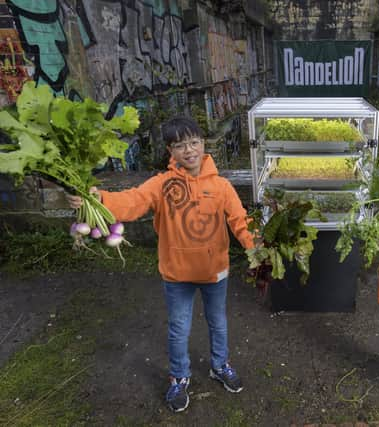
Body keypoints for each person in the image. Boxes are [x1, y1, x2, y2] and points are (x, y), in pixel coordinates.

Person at [67, 117, 256, 413]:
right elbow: (133, 201)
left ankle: (220, 365)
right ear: (171, 150)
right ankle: (179, 377)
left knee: (218, 323)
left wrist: (258, 248)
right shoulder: (162, 184)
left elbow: (240, 221)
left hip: (214, 271)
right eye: (180, 145)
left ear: (203, 144)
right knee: (179, 329)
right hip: (177, 273)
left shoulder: (221, 186)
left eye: (194, 142)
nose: (189, 150)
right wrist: (99, 198)